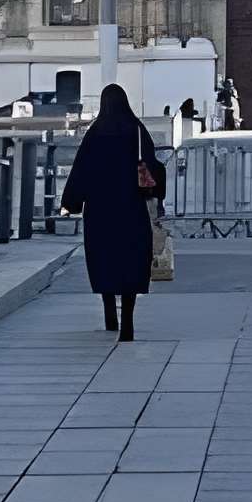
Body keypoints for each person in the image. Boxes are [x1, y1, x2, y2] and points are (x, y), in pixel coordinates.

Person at [62, 83, 165, 341]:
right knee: (130, 261)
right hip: (131, 207)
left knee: (105, 260)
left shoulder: (95, 133)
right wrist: (157, 195)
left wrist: (71, 202)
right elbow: (153, 166)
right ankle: (128, 322)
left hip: (100, 211)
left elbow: (81, 170)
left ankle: (110, 315)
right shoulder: (136, 130)